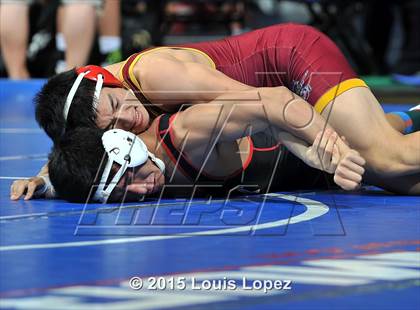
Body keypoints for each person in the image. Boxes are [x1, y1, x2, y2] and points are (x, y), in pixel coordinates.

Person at [10, 23, 420, 199]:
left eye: (119, 105)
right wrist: (47, 178)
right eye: (113, 126)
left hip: (292, 63)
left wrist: (326, 150)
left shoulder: (155, 76)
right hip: (269, 103)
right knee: (402, 182)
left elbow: (272, 103)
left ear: (110, 80)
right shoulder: (102, 109)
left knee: (385, 159)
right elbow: (84, 153)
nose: (129, 120)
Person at [48, 88, 366, 202]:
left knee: (396, 165)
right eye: (121, 197)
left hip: (312, 137)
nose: (141, 191)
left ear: (123, 142)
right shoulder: (102, 161)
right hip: (313, 169)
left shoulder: (185, 134)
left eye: (127, 179)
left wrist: (335, 150)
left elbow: (277, 101)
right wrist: (46, 181)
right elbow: (79, 159)